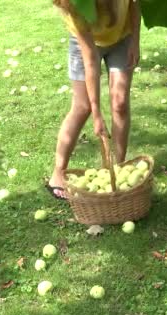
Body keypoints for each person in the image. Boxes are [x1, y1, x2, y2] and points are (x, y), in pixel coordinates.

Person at [47, 0, 141, 199]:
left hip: (123, 37)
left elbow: (134, 3)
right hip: (87, 45)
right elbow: (90, 63)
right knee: (83, 107)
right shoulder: (73, 5)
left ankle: (117, 170)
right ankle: (58, 173)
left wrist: (135, 41)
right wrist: (97, 113)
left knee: (120, 103)